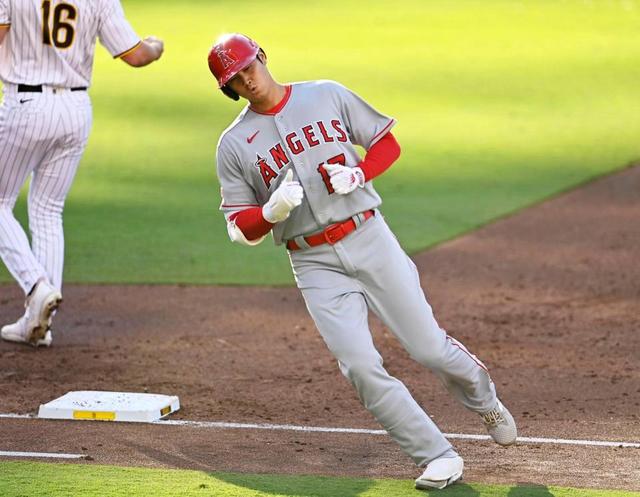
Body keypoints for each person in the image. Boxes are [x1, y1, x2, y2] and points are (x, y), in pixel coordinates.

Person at [208, 33, 517, 490]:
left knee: (428, 347)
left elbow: (387, 143)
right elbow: (239, 226)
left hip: (369, 236)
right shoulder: (233, 145)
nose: (247, 79)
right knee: (359, 365)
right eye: (235, 78)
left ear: (263, 57)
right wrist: (270, 212)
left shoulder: (325, 94)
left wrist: (359, 172)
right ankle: (435, 454)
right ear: (228, 87)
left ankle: (483, 398)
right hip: (313, 263)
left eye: (249, 66)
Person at [0, 0, 164, 347]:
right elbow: (135, 55)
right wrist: (155, 46)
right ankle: (39, 324)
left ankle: (36, 287)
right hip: (76, 110)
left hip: (26, 106)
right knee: (47, 210)